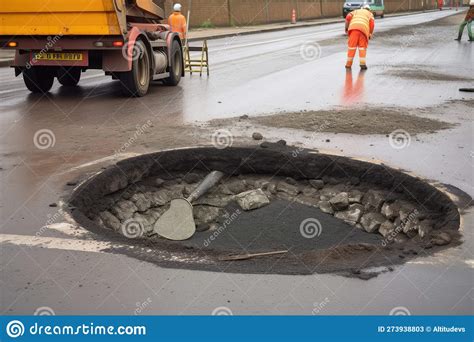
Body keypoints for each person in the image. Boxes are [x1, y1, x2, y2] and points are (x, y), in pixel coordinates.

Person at [345, 4, 375, 70]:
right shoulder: (370, 14)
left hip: (353, 30)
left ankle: (348, 64)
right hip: (363, 31)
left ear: (362, 8)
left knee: (351, 47)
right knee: (362, 48)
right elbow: (372, 24)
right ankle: (362, 63)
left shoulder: (356, 11)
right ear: (369, 9)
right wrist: (370, 34)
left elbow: (347, 17)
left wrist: (346, 28)